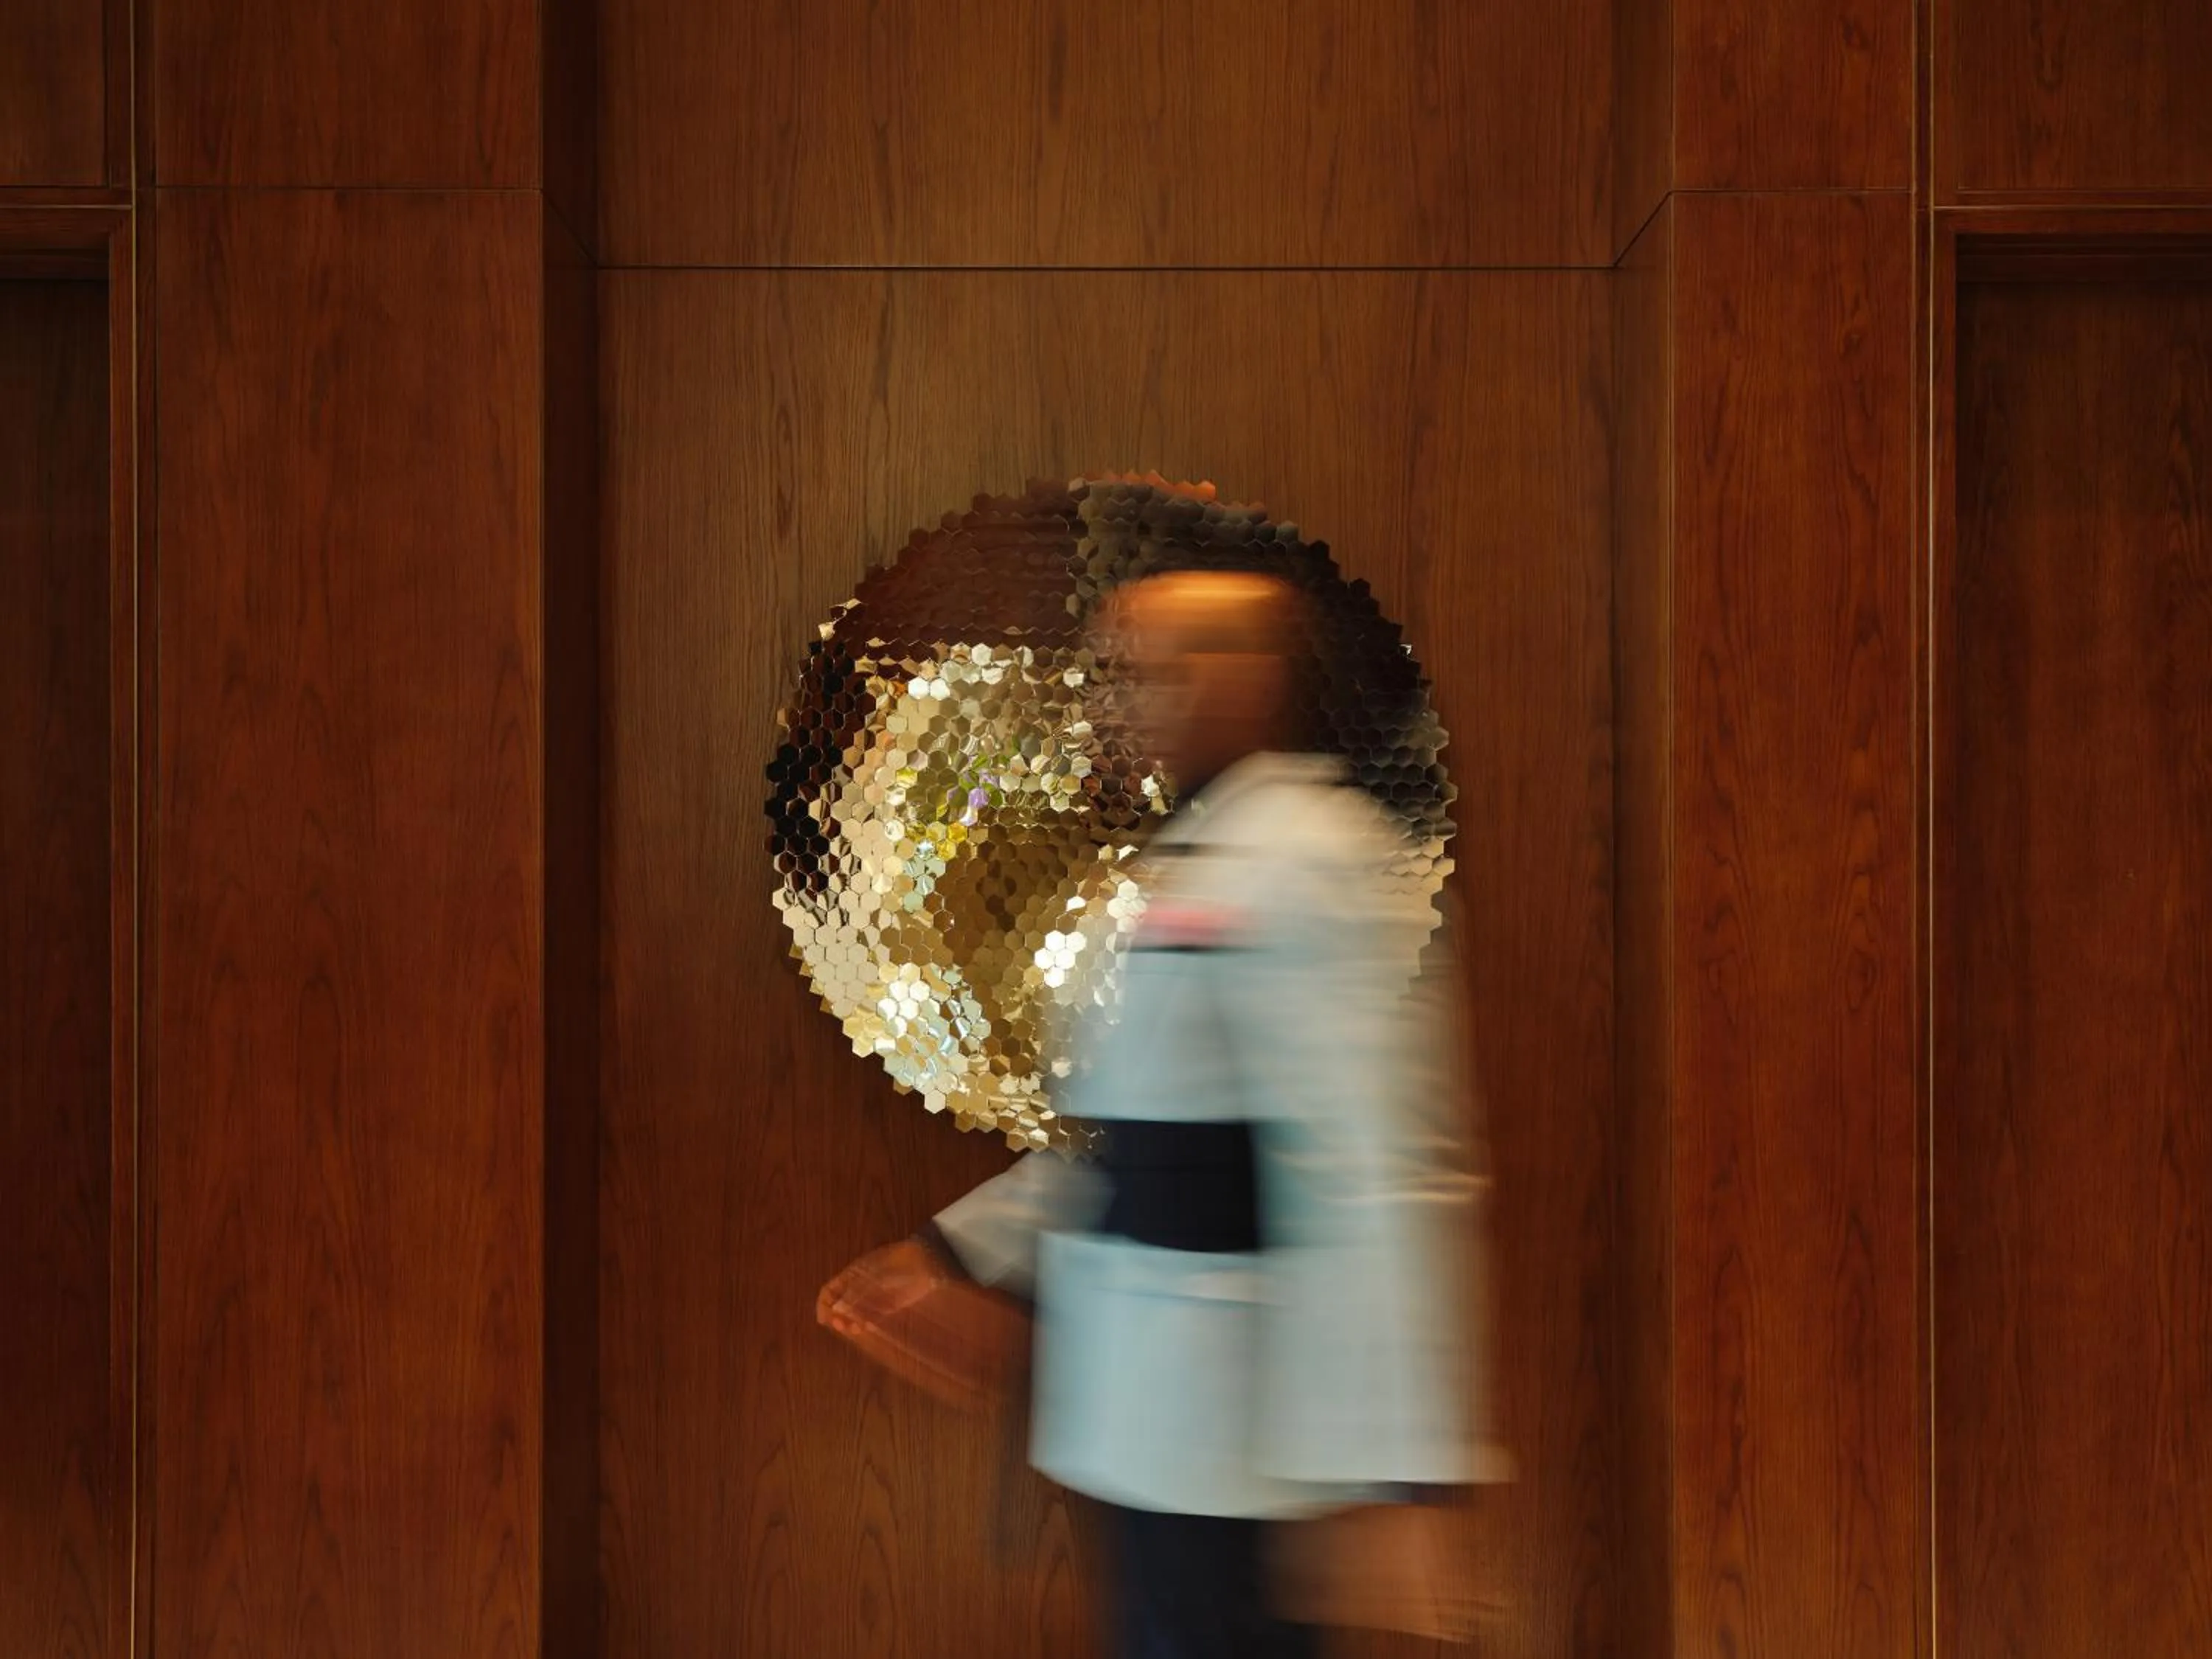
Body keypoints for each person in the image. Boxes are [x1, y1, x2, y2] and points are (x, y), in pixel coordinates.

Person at [819, 568, 1506, 1658]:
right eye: (1109, 677)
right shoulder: (1162, 871)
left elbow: (1378, 1166)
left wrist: (1396, 1469)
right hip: (1136, 1413)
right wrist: (956, 1255)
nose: (1115, 704)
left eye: (1147, 673)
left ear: (1246, 680)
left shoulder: (1322, 859)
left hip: (1247, 1426)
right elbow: (1120, 1141)